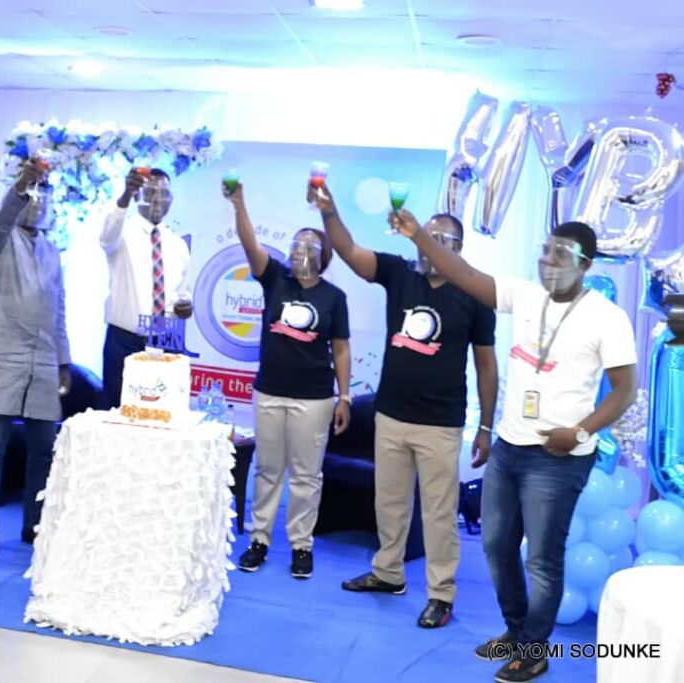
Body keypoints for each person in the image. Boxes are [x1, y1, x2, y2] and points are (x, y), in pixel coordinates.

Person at [389, 212, 637, 682]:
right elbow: (463, 274)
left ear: (585, 264)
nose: (548, 261)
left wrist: (581, 433)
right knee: (496, 544)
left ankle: (535, 649)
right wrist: (418, 234)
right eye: (545, 251)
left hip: (560, 456)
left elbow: (624, 390)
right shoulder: (525, 296)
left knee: (541, 557)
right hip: (510, 447)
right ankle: (516, 629)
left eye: (560, 255)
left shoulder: (608, 316)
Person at [314, 185, 498, 629]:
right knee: (389, 503)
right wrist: (330, 212)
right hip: (392, 414)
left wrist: (486, 426)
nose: (429, 245)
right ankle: (387, 573)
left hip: (441, 422)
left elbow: (487, 365)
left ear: (456, 248)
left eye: (440, 239)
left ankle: (441, 594)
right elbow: (348, 250)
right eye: (425, 235)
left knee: (438, 514)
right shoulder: (399, 273)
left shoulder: (473, 292)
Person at [226, 181, 351, 579]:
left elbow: (341, 349)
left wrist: (344, 397)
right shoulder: (275, 279)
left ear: (323, 256)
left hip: (313, 399)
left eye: (309, 248)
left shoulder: (334, 297)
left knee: (306, 475)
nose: (300, 254)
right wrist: (240, 203)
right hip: (269, 392)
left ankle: (301, 545)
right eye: (296, 248)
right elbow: (249, 244)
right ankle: (259, 540)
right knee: (268, 470)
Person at [0, 161, 71, 559]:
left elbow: (60, 310)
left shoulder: (53, 251)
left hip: (44, 361)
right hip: (1, 356)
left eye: (44, 194)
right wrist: (24, 182)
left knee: (44, 450)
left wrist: (64, 362)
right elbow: (5, 212)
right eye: (32, 194)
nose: (37, 202)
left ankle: (34, 526)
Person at [100, 168, 192, 408]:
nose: (157, 199)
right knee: (119, 412)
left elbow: (182, 295)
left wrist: (186, 307)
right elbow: (106, 236)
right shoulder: (123, 232)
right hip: (124, 339)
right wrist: (125, 195)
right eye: (151, 192)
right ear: (139, 194)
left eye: (164, 194)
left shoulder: (178, 244)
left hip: (165, 337)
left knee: (160, 412)